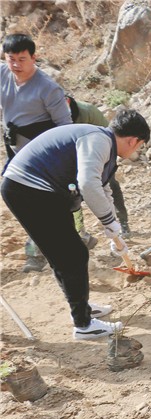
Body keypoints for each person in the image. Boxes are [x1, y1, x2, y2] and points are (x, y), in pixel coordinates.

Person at [1, 109, 150, 340]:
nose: (136, 151)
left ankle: (82, 308)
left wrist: (113, 229)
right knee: (72, 255)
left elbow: (103, 189)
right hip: (29, 189)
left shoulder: (104, 143)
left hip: (41, 191)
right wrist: (108, 221)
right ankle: (83, 324)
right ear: (133, 140)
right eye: (139, 146)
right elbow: (88, 184)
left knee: (66, 254)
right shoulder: (99, 140)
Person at [1, 33, 73, 272]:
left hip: (43, 157)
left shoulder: (48, 88)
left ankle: (36, 254)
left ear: (34, 58)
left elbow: (65, 128)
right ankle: (76, 236)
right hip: (15, 151)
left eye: (22, 59)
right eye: (11, 59)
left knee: (40, 203)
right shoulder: (3, 74)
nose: (15, 65)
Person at [67, 95, 132, 237]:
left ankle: (121, 222)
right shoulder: (50, 113)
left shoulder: (88, 111)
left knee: (109, 182)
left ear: (68, 101)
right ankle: (79, 230)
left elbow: (110, 137)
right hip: (71, 155)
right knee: (71, 191)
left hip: (98, 151)